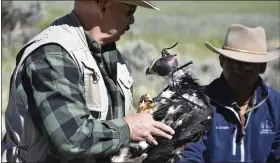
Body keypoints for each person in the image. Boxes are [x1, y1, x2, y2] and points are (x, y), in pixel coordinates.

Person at [1, 1, 175, 162]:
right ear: (103, 5)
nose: (132, 20)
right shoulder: (52, 55)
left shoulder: (106, 50)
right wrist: (129, 128)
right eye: (130, 10)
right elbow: (71, 139)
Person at [175, 24, 280, 162]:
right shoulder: (198, 103)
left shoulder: (276, 105)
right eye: (234, 61)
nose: (240, 69)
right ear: (221, 61)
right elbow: (188, 155)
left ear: (262, 67)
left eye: (248, 64)